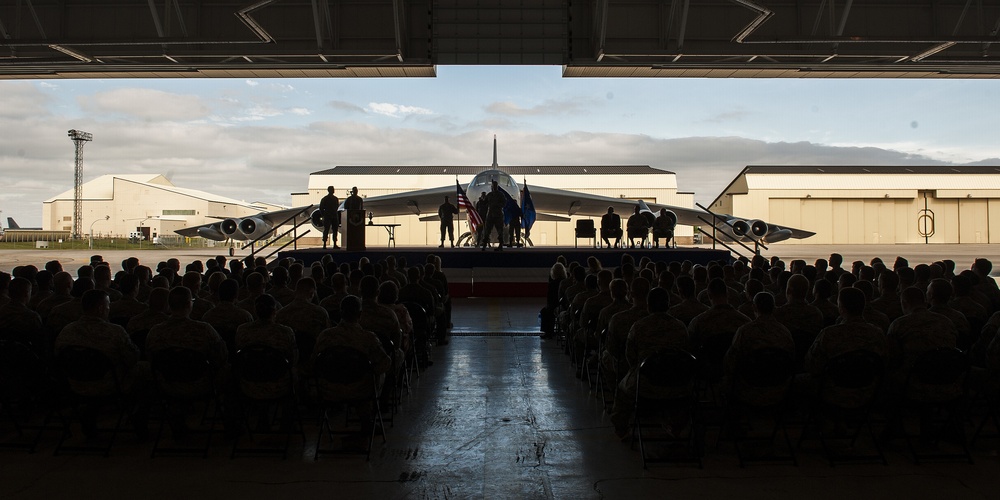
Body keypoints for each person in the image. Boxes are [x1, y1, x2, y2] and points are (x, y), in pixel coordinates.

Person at [480, 180, 506, 251]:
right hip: (490, 215)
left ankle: (501, 245)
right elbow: (485, 203)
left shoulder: (500, 195)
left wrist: (497, 205)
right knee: (487, 231)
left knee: (500, 231)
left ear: (497, 186)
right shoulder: (489, 195)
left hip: (498, 215)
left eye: (495, 186)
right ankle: (484, 245)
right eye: (493, 186)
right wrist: (483, 199)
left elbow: (504, 203)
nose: (494, 187)